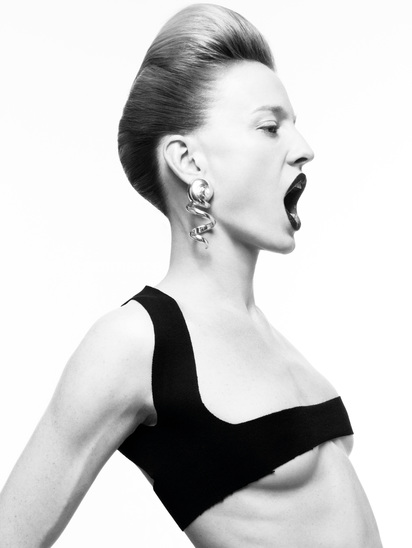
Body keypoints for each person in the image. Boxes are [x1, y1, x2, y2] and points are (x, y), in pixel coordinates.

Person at [0, 3, 383, 547]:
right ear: (189, 161)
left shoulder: (269, 334)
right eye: (270, 127)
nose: (304, 149)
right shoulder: (137, 344)